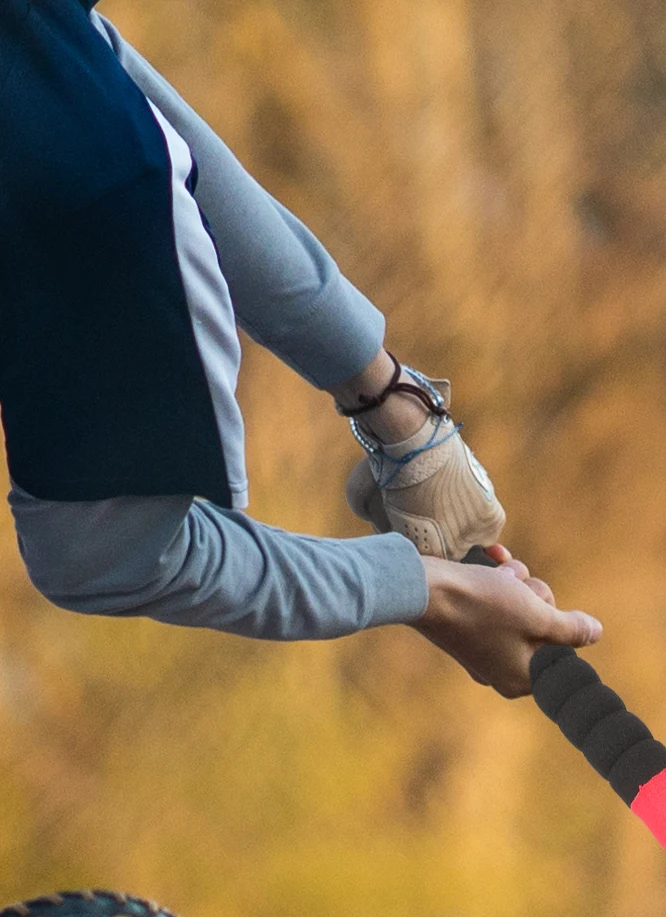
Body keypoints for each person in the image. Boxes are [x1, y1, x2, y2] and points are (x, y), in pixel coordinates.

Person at [0, 0, 600, 696]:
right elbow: (113, 561)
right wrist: (430, 590)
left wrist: (395, 409)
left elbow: (87, 87)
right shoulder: (96, 189)